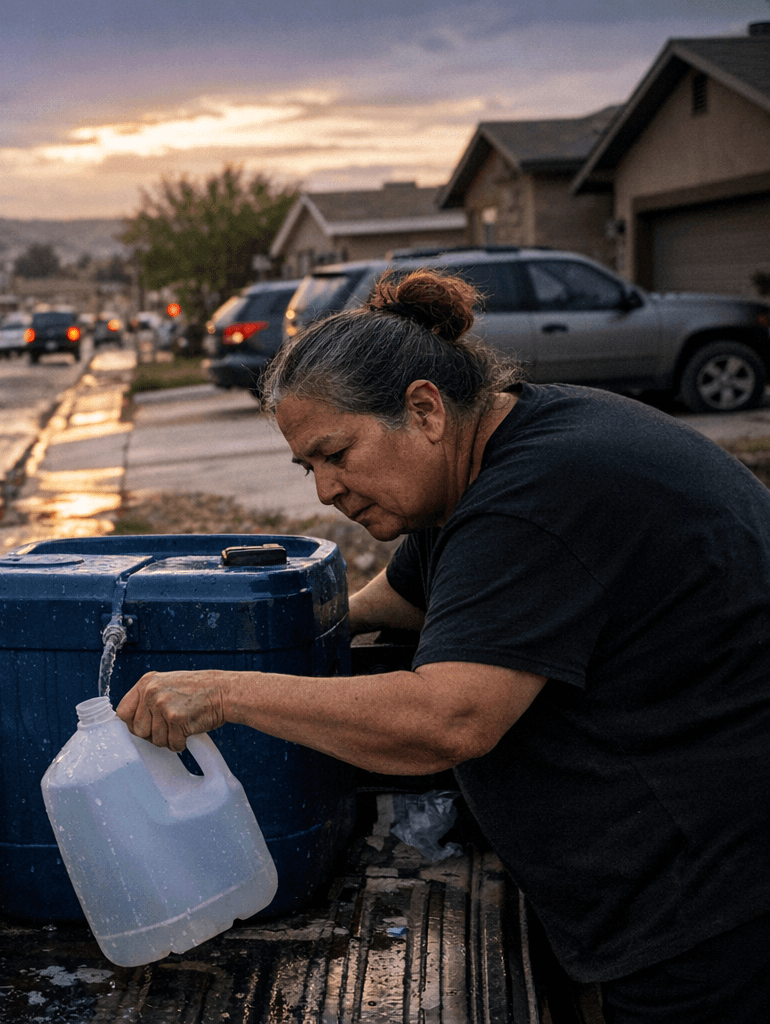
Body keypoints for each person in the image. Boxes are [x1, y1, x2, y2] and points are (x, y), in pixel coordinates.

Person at [116, 269, 770, 1023]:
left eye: (337, 453)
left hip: (716, 896)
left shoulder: (536, 496)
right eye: (309, 467)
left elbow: (448, 721)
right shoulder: (502, 449)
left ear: (424, 409)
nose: (324, 491)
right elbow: (406, 597)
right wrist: (290, 630)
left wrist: (225, 693)